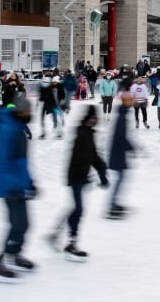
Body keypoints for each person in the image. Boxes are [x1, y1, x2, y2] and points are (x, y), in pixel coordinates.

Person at [0, 95, 38, 282]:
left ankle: (14, 254)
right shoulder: (9, 130)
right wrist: (14, 187)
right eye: (26, 112)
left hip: (18, 185)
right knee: (17, 225)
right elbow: (5, 162)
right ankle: (1, 261)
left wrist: (30, 183)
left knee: (24, 224)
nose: (29, 115)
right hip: (10, 187)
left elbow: (23, 163)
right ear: (18, 112)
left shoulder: (19, 128)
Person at [60, 106, 109, 260]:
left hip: (80, 177)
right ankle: (71, 243)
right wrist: (86, 175)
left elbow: (93, 156)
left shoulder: (87, 133)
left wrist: (102, 173)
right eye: (94, 118)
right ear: (88, 118)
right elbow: (82, 157)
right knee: (78, 209)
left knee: (76, 208)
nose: (96, 120)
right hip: (76, 177)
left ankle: (57, 235)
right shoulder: (82, 134)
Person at [108, 93, 136, 218]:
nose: (132, 102)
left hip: (119, 152)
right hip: (118, 153)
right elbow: (120, 137)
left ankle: (114, 203)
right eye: (130, 100)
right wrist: (132, 147)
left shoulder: (123, 114)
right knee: (120, 179)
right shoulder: (122, 117)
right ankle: (112, 205)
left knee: (121, 178)